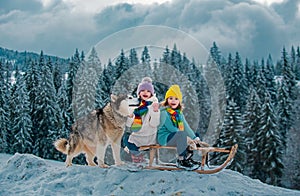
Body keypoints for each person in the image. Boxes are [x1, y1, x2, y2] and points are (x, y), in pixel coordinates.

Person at [157, 85, 202, 170]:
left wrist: (194, 137)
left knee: (194, 134)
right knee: (182, 135)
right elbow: (171, 128)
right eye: (171, 98)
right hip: (165, 137)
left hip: (176, 136)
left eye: (176, 99)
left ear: (179, 102)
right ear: (167, 100)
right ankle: (181, 160)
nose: (173, 101)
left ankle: (188, 157)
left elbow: (186, 126)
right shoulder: (164, 112)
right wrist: (186, 138)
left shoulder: (179, 113)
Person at [125, 77, 160, 163]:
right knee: (125, 137)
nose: (145, 92)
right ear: (139, 93)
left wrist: (155, 112)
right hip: (138, 135)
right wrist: (129, 117)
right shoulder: (135, 106)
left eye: (148, 91)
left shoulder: (153, 105)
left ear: (151, 94)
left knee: (127, 139)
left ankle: (138, 157)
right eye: (143, 90)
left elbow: (154, 124)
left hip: (149, 137)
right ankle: (137, 157)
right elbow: (129, 125)